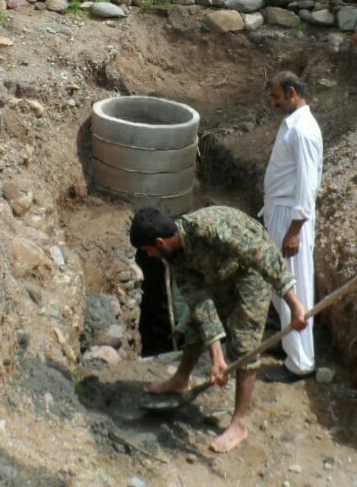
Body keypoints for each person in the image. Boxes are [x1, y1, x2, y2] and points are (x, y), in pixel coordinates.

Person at [131, 205, 309, 454]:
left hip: (249, 272)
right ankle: (181, 380)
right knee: (194, 323)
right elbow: (201, 304)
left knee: (245, 341)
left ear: (160, 242)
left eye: (147, 250)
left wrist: (295, 304)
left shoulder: (210, 229)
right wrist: (217, 357)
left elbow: (264, 256)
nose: (149, 256)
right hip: (219, 273)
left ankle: (239, 424)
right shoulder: (174, 258)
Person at [260, 72, 322, 383]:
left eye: (276, 97)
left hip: (291, 217)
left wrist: (295, 228)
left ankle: (300, 363)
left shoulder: (304, 132)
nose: (273, 103)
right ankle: (290, 347)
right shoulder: (293, 124)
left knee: (294, 290)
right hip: (280, 213)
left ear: (292, 92)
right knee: (280, 285)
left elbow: (308, 185)